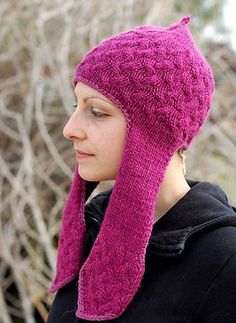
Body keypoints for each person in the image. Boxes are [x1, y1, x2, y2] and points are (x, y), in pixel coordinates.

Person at [47, 15, 236, 322]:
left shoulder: (224, 262)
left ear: (155, 131)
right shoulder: (96, 227)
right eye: (76, 107)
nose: (70, 129)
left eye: (96, 111)